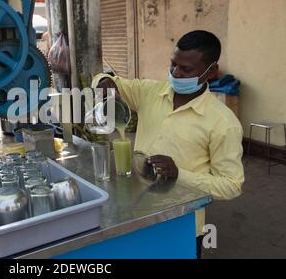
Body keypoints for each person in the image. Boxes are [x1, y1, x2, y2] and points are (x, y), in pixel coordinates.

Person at [93, 30, 244, 259]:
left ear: (211, 71)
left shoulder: (223, 123)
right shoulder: (150, 92)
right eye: (173, 64)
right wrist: (104, 82)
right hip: (136, 210)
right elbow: (109, 81)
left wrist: (178, 174)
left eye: (186, 69)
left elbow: (232, 185)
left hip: (181, 223)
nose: (175, 73)